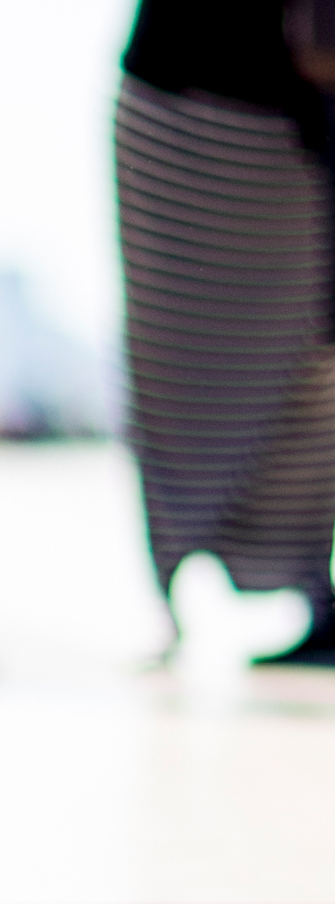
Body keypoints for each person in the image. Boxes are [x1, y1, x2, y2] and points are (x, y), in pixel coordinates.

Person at [118, 0, 335, 667]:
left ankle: (313, 589)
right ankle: (169, 594)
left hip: (301, 120)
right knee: (176, 374)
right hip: (190, 101)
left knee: (316, 371)